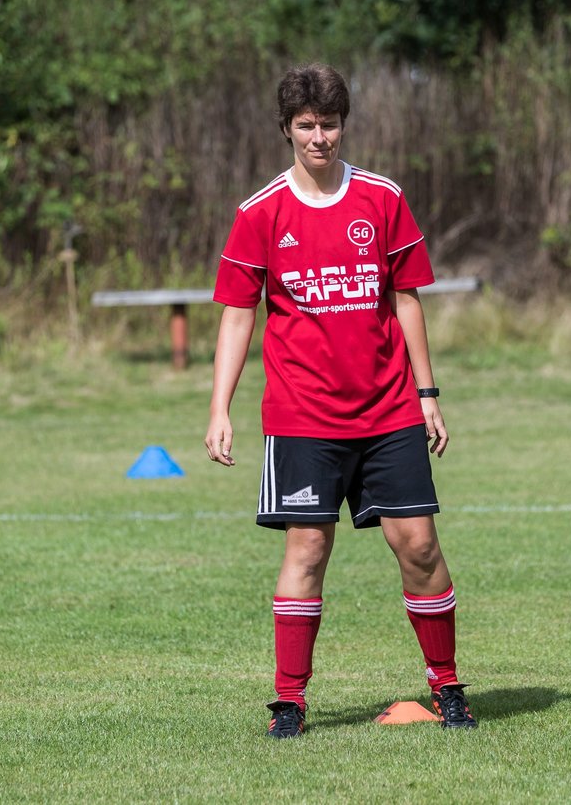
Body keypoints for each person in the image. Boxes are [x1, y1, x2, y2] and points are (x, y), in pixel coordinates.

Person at [204, 63, 476, 738]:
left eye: (328, 124)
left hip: (389, 411)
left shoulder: (382, 198)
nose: (318, 137)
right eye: (305, 125)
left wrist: (428, 392)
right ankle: (289, 702)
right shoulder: (260, 212)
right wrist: (219, 408)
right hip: (303, 416)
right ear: (286, 129)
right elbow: (238, 315)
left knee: (418, 545)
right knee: (307, 549)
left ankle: (447, 687)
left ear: (343, 124)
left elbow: (406, 299)